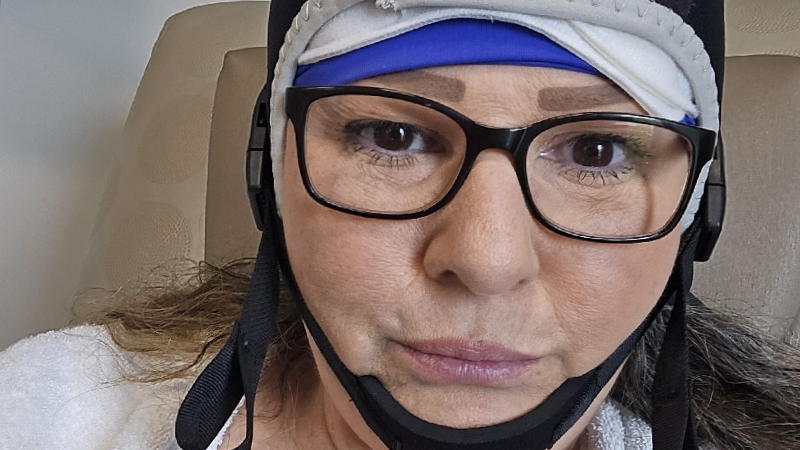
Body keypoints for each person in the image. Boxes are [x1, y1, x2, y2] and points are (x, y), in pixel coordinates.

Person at [2, 0, 800, 449]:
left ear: (695, 215)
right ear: (271, 178)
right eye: (392, 136)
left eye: (596, 151)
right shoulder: (51, 414)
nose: (485, 259)